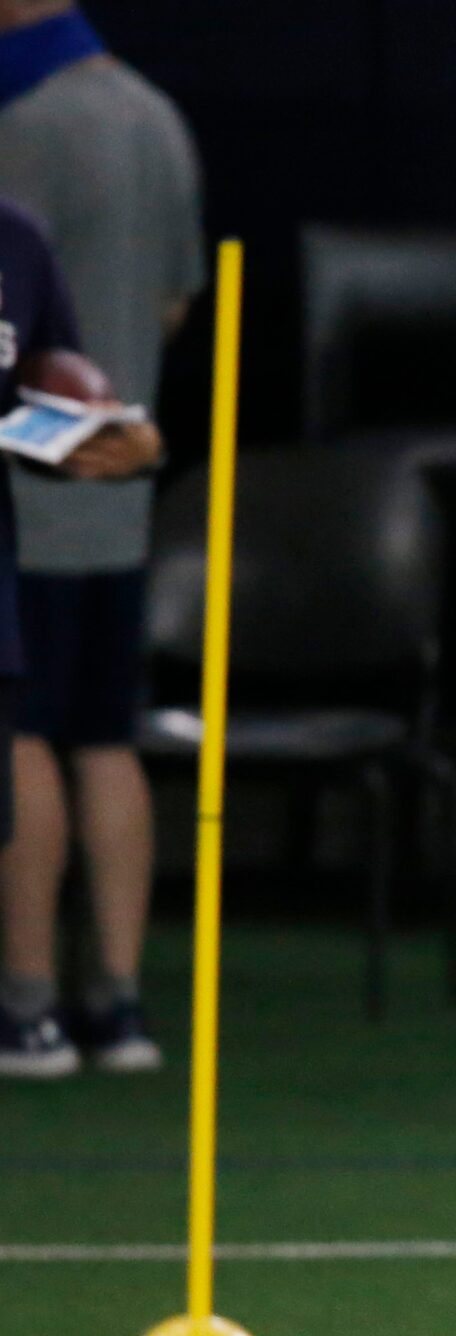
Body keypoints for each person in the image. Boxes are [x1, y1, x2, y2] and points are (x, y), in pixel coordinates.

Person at [0, 1, 199, 1077]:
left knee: (22, 738)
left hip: (29, 498)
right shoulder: (158, 117)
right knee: (104, 736)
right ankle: (117, 1007)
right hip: (117, 496)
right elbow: (172, 304)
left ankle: (26, 1006)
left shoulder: (21, 127)